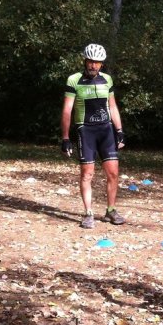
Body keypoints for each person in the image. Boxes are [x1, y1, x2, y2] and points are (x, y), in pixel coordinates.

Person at [61, 43, 126, 228]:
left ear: (101, 64)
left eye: (97, 63)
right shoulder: (74, 80)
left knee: (113, 173)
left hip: (106, 130)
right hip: (85, 130)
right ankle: (88, 213)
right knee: (87, 174)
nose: (93, 66)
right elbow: (67, 110)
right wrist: (65, 138)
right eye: (91, 62)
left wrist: (119, 130)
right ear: (85, 61)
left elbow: (112, 106)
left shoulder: (107, 80)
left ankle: (111, 210)